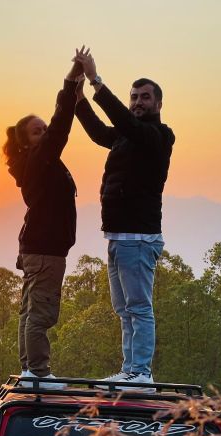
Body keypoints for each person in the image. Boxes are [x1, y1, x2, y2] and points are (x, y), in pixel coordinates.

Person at [73, 50, 175, 390]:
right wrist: (78, 101)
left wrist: (96, 82)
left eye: (145, 97)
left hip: (139, 238)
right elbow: (100, 131)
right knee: (124, 309)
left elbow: (125, 123)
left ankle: (141, 372)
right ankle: (130, 369)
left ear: (158, 104)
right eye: (134, 97)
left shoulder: (158, 137)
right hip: (117, 236)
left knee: (139, 307)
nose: (137, 102)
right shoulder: (126, 137)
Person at [3, 49, 86, 389]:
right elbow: (61, 125)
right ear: (27, 143)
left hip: (38, 246)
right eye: (37, 131)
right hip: (46, 248)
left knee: (30, 311)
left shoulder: (38, 162)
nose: (45, 132)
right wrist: (71, 80)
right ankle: (38, 373)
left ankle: (29, 370)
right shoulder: (39, 159)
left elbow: (57, 128)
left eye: (43, 130)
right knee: (41, 312)